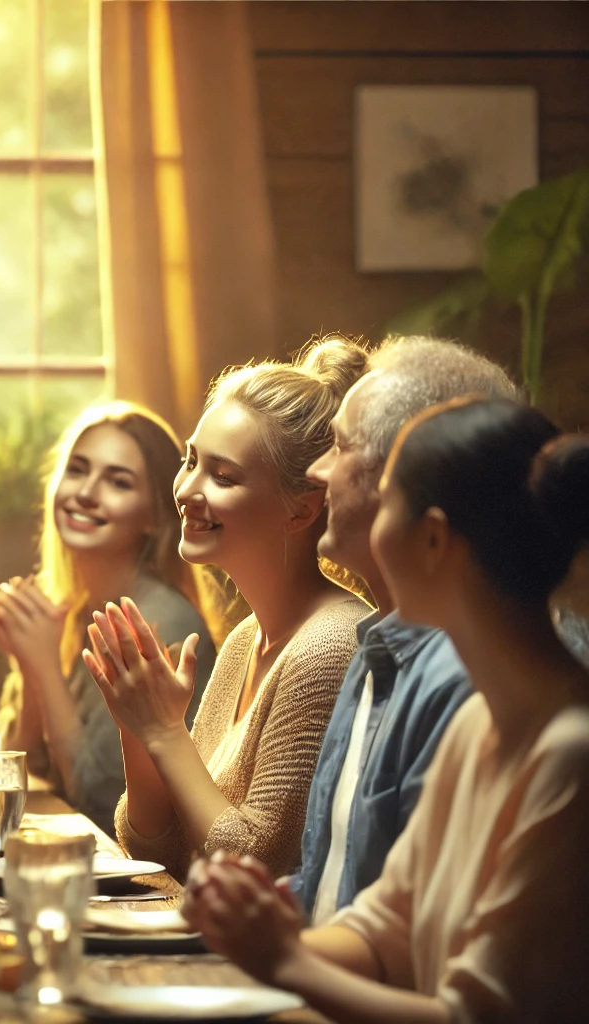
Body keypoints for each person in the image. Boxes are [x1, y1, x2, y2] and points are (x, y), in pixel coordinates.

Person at [184, 398, 589, 1023]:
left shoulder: (569, 754)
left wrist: (284, 962)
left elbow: (472, 1015)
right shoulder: (481, 723)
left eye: (388, 501)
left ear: (431, 539)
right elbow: (383, 929)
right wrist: (245, 936)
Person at [85, 337, 371, 880]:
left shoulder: (331, 646)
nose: (188, 488)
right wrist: (140, 731)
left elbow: (252, 865)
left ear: (301, 509)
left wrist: (167, 733)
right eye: (191, 460)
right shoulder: (245, 639)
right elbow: (163, 855)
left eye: (223, 475)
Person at [289, 337, 517, 924]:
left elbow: (421, 939)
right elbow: (334, 888)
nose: (317, 472)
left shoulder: (475, 675)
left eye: (340, 447)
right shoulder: (374, 647)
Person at [0, 402, 222, 835]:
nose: (87, 492)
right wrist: (32, 666)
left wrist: (43, 666)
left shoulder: (156, 623)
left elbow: (101, 804)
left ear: (155, 515)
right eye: (77, 470)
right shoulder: (68, 604)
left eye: (118, 482)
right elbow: (18, 771)